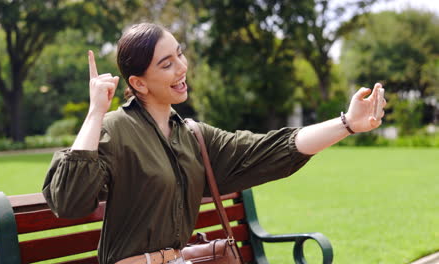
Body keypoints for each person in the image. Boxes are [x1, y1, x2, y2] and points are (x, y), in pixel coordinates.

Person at [42, 23, 386, 264]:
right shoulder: (114, 130)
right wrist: (95, 113)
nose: (182, 68)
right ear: (139, 83)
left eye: (180, 55)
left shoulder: (192, 135)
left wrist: (347, 124)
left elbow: (268, 149)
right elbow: (69, 202)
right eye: (167, 64)